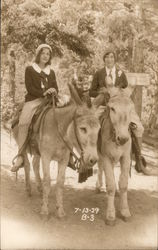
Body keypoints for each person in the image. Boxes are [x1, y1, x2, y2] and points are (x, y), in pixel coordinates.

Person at [89, 47, 145, 172]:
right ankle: (88, 156)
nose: (109, 59)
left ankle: (139, 159)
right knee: (91, 125)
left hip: (120, 108)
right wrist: (102, 91)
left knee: (139, 128)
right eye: (107, 57)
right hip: (103, 105)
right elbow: (91, 92)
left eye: (112, 57)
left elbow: (126, 91)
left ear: (115, 59)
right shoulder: (99, 73)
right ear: (104, 59)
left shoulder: (121, 73)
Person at [11, 44, 58, 172]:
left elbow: (56, 87)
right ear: (38, 55)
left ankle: (68, 155)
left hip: (50, 101)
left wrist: (53, 91)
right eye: (43, 53)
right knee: (24, 121)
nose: (45, 56)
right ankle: (21, 155)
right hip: (33, 100)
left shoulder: (51, 72)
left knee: (66, 114)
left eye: (48, 54)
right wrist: (43, 93)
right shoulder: (30, 69)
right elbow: (30, 88)